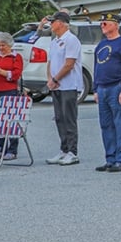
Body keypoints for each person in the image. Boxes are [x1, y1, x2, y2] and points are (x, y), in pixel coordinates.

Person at [93, 13, 121, 173]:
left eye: (106, 23)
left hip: (116, 87)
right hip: (102, 88)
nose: (103, 25)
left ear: (116, 25)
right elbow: (97, 67)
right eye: (102, 23)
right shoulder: (101, 45)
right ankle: (110, 158)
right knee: (106, 125)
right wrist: (95, 89)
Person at [44, 10, 83, 166]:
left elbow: (69, 64)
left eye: (53, 22)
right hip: (56, 85)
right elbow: (50, 62)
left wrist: (56, 78)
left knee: (69, 118)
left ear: (60, 23)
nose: (51, 25)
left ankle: (73, 151)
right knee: (59, 118)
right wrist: (49, 79)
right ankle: (64, 149)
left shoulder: (71, 40)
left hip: (68, 84)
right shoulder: (54, 41)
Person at [0, 32, 24, 161]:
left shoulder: (16, 57)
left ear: (9, 45)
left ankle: (13, 149)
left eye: (3, 45)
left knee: (11, 120)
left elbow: (16, 74)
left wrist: (1, 72)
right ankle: (2, 148)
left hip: (8, 90)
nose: (1, 48)